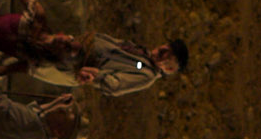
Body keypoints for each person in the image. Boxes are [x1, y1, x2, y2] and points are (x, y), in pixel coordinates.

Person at [34, 35, 188, 97]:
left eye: (167, 58)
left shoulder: (146, 73)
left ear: (169, 69)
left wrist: (96, 75)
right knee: (38, 44)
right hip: (80, 48)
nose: (161, 53)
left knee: (35, 64)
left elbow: (115, 85)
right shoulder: (142, 56)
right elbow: (117, 46)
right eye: (165, 49)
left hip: (78, 66)